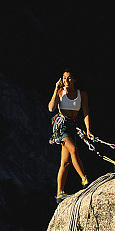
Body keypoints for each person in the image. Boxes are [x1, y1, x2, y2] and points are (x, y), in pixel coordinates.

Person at [48, 71, 93, 203]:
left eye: (69, 78)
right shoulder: (60, 92)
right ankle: (84, 179)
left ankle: (59, 193)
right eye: (64, 78)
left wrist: (88, 130)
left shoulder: (82, 94)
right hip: (61, 126)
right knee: (73, 150)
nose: (66, 80)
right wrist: (56, 88)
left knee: (65, 163)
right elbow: (51, 108)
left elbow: (86, 112)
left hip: (72, 127)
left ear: (74, 79)